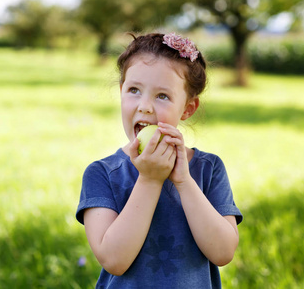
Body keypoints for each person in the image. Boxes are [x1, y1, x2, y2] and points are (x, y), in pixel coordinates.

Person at [76, 32, 243, 288]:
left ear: (187, 108)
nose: (144, 106)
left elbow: (223, 253)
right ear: (121, 93)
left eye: (162, 96)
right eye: (134, 90)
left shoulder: (208, 170)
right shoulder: (102, 174)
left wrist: (184, 181)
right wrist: (150, 180)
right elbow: (114, 259)